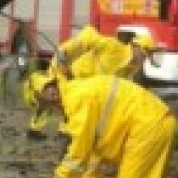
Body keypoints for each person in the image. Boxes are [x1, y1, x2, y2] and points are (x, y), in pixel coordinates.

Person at [28, 72, 176, 178]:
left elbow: (78, 154)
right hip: (150, 123)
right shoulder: (78, 95)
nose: (54, 111)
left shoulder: (77, 98)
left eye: (49, 107)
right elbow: (93, 154)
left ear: (47, 96)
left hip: (147, 125)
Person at [24, 25, 157, 141]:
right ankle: (34, 130)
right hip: (69, 70)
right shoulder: (114, 47)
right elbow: (89, 34)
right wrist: (67, 52)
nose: (144, 59)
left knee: (69, 107)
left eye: (147, 57)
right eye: (144, 54)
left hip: (85, 85)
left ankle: (65, 133)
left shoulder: (130, 68)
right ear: (136, 47)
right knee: (50, 97)